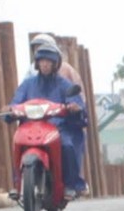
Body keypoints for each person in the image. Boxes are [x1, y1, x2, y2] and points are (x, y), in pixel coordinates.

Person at [11, 40, 87, 195]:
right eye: (42, 61)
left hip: (57, 128)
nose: (45, 64)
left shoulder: (64, 84)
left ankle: (69, 184)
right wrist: (10, 109)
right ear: (37, 63)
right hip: (30, 127)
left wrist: (74, 106)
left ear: (55, 64)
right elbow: (16, 101)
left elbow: (75, 100)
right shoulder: (27, 84)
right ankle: (17, 183)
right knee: (17, 142)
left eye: (49, 61)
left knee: (67, 145)